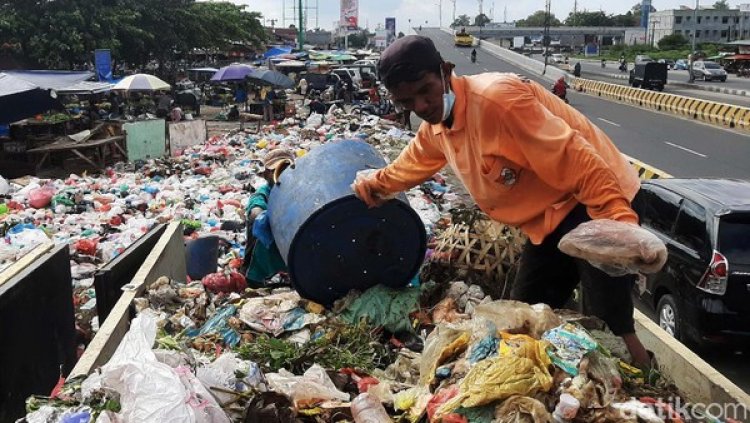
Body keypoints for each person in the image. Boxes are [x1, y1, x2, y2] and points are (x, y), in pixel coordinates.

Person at [351, 35, 654, 367]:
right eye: (407, 102)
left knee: (608, 320)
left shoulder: (498, 101)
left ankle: (644, 383)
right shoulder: (437, 127)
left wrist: (619, 223)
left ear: (445, 71)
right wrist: (375, 184)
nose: (421, 107)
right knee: (525, 312)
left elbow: (578, 160)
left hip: (595, 195)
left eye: (425, 90)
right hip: (549, 216)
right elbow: (412, 163)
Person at [243, 149, 295, 287]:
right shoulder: (263, 194)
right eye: (277, 170)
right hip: (261, 274)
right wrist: (264, 215)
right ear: (266, 174)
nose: (283, 174)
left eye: (287, 169)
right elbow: (255, 211)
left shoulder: (296, 192)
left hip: (289, 272)